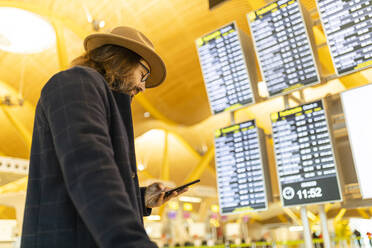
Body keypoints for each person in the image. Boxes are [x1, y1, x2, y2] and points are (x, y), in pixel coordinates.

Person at [21, 26, 187, 248]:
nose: (143, 86)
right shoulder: (76, 82)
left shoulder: (97, 96)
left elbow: (78, 187)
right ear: (122, 60)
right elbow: (90, 170)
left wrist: (141, 198)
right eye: (143, 73)